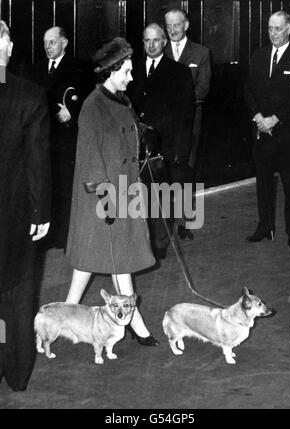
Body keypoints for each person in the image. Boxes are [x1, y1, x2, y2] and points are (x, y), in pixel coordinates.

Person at [66, 37, 159, 346]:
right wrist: (106, 201)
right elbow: (90, 158)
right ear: (110, 70)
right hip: (105, 196)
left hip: (124, 189)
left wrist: (146, 135)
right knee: (118, 259)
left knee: (91, 257)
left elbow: (128, 132)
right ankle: (137, 324)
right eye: (127, 72)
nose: (131, 78)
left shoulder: (120, 100)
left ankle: (67, 313)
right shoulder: (93, 107)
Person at [0, 20, 51, 391]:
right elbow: (37, 163)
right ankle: (17, 374)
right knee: (18, 295)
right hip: (16, 214)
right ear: (9, 48)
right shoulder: (30, 95)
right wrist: (40, 213)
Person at [128, 23, 194, 258]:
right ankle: (141, 243)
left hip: (166, 147)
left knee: (163, 198)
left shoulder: (179, 72)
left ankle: (160, 245)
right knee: (139, 197)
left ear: (165, 42)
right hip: (136, 145)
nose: (151, 45)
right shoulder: (131, 70)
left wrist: (180, 152)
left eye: (156, 40)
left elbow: (186, 117)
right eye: (147, 41)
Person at [244, 11, 290, 247]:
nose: (273, 33)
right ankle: (265, 227)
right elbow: (248, 89)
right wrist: (257, 116)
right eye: (270, 29)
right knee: (263, 182)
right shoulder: (259, 56)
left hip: (289, 134)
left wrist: (275, 118)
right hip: (263, 132)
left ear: (289, 29)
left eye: (278, 29)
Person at [32, 26, 84, 249]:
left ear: (64, 43)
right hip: (44, 137)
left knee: (65, 187)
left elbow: (86, 96)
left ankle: (65, 236)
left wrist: (72, 111)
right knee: (47, 185)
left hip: (66, 139)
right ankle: (48, 236)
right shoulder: (36, 69)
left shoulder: (78, 67)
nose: (47, 47)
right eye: (45, 43)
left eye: (52, 42)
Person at [164, 8, 211, 170]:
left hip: (190, 120)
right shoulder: (159, 51)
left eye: (176, 25)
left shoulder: (201, 53)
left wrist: (181, 104)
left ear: (186, 25)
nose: (172, 30)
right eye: (168, 26)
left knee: (187, 168)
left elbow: (203, 86)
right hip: (164, 121)